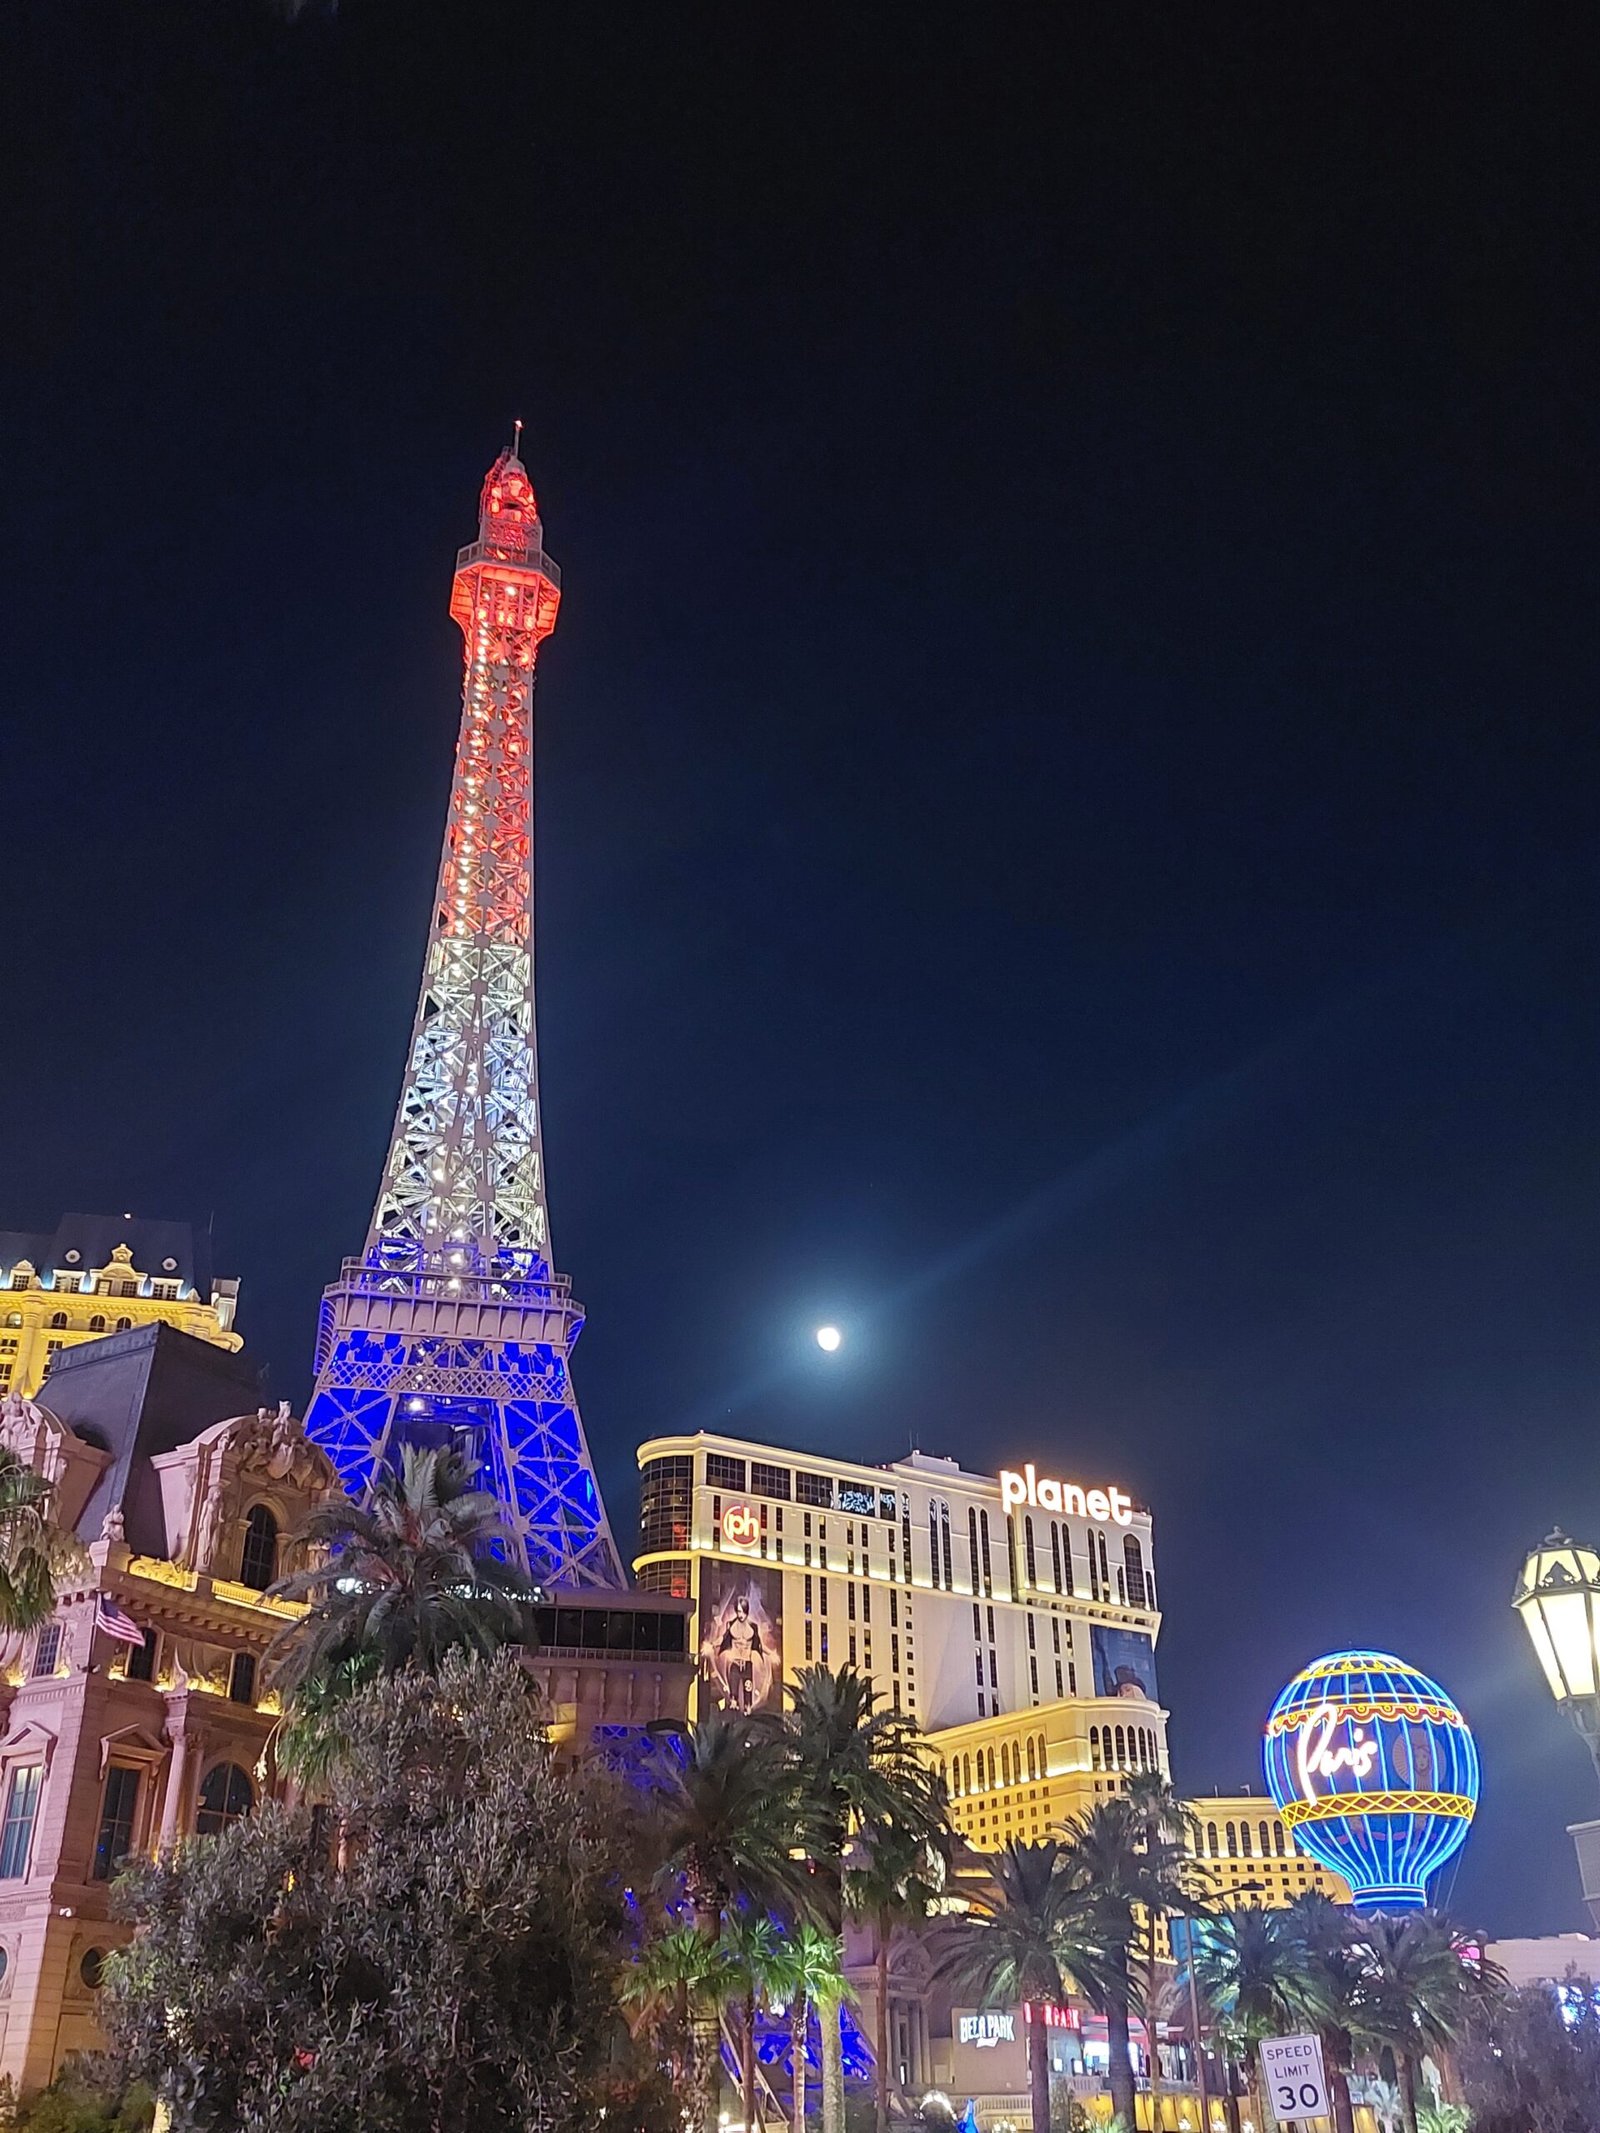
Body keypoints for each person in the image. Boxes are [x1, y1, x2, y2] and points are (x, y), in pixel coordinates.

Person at [716, 1593, 767, 1712]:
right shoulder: (731, 1625)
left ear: (746, 1611)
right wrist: (712, 1644)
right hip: (735, 1663)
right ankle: (734, 1708)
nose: (741, 1615)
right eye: (739, 1611)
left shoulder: (753, 1627)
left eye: (743, 1611)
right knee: (733, 1699)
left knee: (748, 1698)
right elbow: (723, 1639)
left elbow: (759, 1644)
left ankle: (747, 1711)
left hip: (747, 1664)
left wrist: (771, 1653)